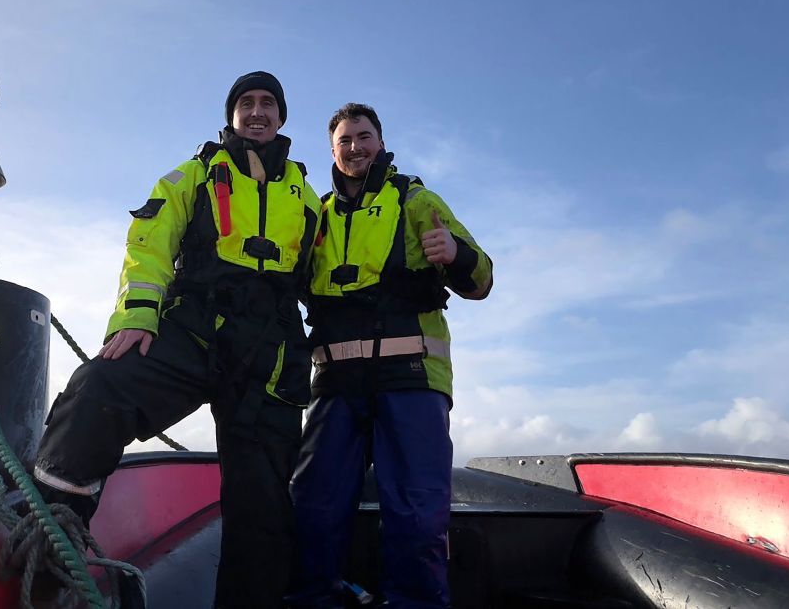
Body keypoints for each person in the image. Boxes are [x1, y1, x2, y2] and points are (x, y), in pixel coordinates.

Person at [33, 71, 321, 609]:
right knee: (99, 388)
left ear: (281, 117)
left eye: (267, 104)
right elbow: (150, 244)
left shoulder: (307, 197)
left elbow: (321, 278)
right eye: (246, 103)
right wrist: (137, 318)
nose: (257, 112)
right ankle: (45, 539)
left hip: (271, 352)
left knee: (262, 508)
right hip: (193, 329)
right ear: (231, 115)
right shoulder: (193, 175)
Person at [287, 103, 493, 609]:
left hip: (412, 378)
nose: (355, 147)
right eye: (345, 140)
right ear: (332, 150)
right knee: (313, 505)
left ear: (381, 141)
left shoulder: (417, 201)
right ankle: (317, 599)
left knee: (417, 513)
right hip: (336, 386)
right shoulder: (314, 215)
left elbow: (482, 278)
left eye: (364, 136)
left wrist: (456, 253)